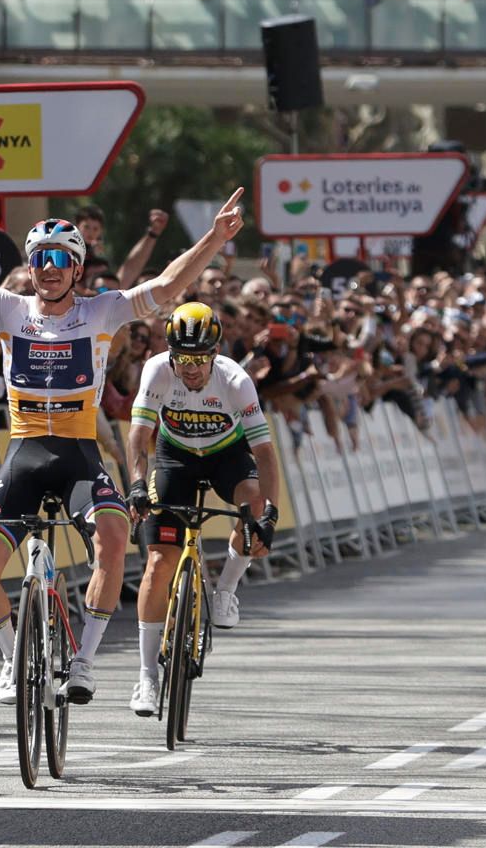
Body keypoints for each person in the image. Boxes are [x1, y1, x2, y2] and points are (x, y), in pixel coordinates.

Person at [0, 187, 247, 707]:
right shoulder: (9, 309)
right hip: (27, 453)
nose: (50, 268)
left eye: (62, 259)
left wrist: (214, 239)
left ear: (78, 269)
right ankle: (12, 657)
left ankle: (84, 661)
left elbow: (168, 284)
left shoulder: (104, 311)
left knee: (111, 538)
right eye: (41, 259)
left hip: (78, 454)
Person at [124, 302, 280, 717]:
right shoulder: (157, 370)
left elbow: (264, 454)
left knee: (251, 503)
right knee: (159, 562)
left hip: (227, 455)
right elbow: (138, 438)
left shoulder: (236, 380)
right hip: (175, 456)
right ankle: (146, 677)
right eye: (182, 359)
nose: (190, 369)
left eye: (198, 359)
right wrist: (138, 485)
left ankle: (226, 589)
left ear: (214, 354)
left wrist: (270, 515)